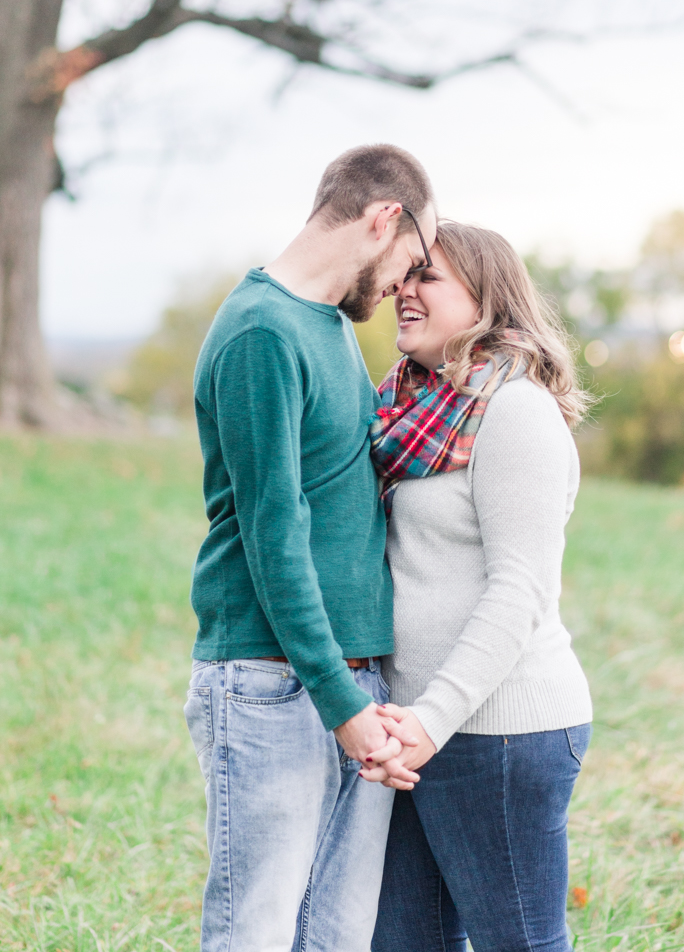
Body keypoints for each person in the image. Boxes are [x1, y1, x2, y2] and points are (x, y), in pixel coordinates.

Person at [184, 143, 436, 952]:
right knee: (254, 934)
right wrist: (340, 702)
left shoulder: (327, 327)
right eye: (413, 260)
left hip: (350, 679)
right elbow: (272, 531)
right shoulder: (262, 331)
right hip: (273, 681)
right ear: (382, 219)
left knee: (335, 939)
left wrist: (362, 692)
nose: (407, 283)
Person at [363, 220, 593, 952]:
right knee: (404, 942)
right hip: (410, 730)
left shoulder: (514, 411)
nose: (404, 289)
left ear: (486, 298)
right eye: (403, 275)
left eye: (427, 276)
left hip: (496, 730)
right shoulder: (409, 407)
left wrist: (432, 719)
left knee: (516, 942)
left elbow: (519, 591)